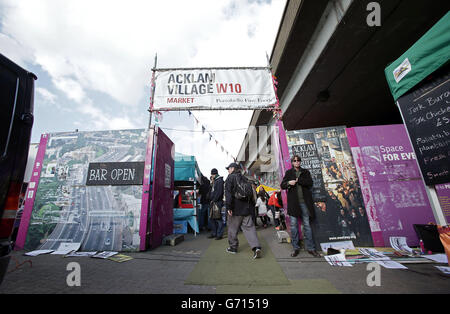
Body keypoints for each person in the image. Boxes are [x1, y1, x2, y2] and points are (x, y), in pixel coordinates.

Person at [281, 155, 322, 258]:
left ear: (300, 162)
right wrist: (289, 183)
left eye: (298, 160)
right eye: (295, 161)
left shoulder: (305, 172)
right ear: (292, 162)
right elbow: (282, 185)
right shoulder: (289, 173)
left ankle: (311, 248)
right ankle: (296, 248)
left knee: (307, 226)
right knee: (294, 226)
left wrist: (299, 180)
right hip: (294, 203)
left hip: (304, 203)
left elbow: (310, 183)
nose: (297, 162)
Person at [224, 162, 262, 259]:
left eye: (228, 168)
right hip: (246, 208)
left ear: (232, 168)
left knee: (232, 229)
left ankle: (233, 248)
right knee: (250, 228)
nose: (228, 170)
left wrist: (229, 207)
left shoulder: (230, 178)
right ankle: (256, 247)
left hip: (235, 209)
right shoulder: (245, 178)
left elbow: (228, 194)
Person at [208, 168, 224, 240]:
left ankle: (219, 234)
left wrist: (214, 200)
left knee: (218, 218)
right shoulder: (216, 181)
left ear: (213, 174)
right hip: (214, 201)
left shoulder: (219, 181)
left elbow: (219, 192)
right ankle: (215, 233)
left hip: (217, 202)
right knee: (212, 218)